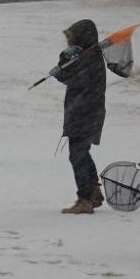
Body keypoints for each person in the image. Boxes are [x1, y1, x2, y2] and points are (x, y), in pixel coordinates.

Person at [50, 19, 106, 214]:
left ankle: (84, 199)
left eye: (72, 39)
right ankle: (93, 190)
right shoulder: (85, 56)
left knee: (78, 155)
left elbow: (75, 79)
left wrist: (60, 71)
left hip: (86, 112)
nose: (69, 43)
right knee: (81, 153)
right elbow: (70, 73)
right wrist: (64, 59)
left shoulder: (91, 57)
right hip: (83, 111)